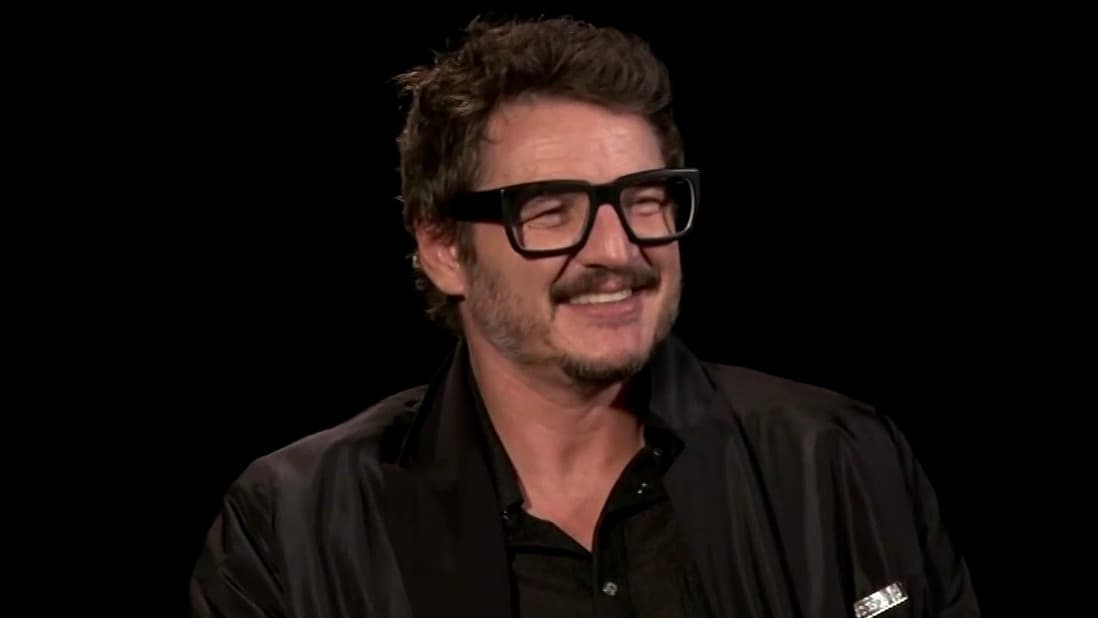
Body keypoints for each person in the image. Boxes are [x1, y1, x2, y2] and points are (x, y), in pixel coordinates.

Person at [189, 16, 980, 618]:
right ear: (444, 249)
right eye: (551, 211)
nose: (616, 250)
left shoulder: (841, 460)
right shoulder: (290, 527)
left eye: (644, 199)